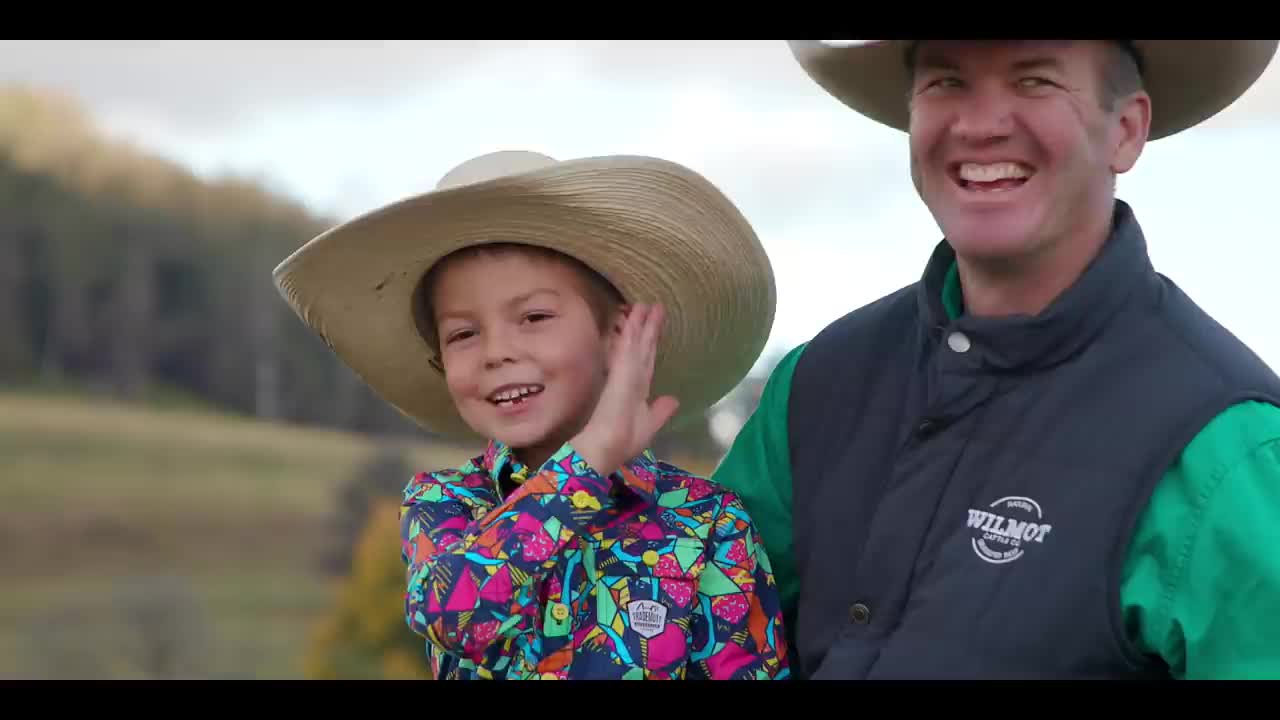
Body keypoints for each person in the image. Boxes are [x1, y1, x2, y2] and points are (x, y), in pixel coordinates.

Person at [710, 39, 1280, 679]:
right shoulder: (819, 383)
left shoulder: (1226, 450)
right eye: (945, 83)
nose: (979, 125)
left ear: (1125, 131)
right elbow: (692, 632)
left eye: (1034, 80)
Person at [272, 149, 789, 680]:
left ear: (616, 334)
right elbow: (454, 616)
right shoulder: (443, 503)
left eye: (534, 316)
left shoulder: (709, 522)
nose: (496, 351)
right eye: (463, 334)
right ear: (440, 363)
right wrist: (589, 463)